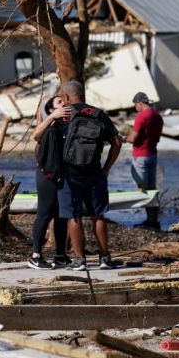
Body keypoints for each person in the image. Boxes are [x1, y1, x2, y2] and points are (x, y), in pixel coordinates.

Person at [57, 80, 123, 271]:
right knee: (98, 215)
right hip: (95, 172)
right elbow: (117, 143)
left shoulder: (64, 115)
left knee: (73, 217)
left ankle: (80, 260)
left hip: (69, 174)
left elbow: (45, 142)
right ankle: (105, 258)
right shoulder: (98, 114)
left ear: (67, 97)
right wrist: (106, 169)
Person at [28, 94, 71, 269]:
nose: (64, 104)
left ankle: (60, 255)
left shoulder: (66, 124)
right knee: (44, 215)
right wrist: (52, 117)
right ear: (51, 109)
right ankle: (35, 256)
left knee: (61, 216)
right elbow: (35, 136)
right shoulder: (50, 124)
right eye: (60, 102)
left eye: (64, 101)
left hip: (62, 175)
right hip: (46, 176)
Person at [127, 92, 163, 230]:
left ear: (139, 103)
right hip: (153, 155)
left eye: (135, 105)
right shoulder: (158, 116)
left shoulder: (141, 116)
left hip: (140, 156)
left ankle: (150, 221)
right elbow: (157, 138)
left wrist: (124, 138)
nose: (135, 107)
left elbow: (133, 138)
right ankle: (154, 220)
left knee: (144, 190)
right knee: (152, 189)